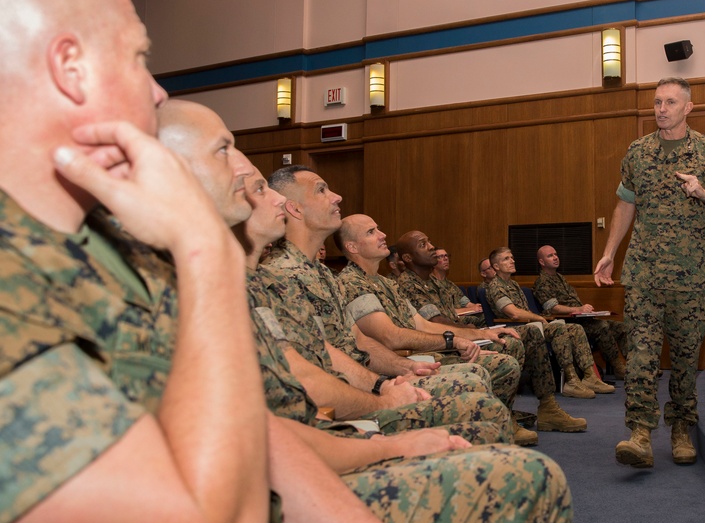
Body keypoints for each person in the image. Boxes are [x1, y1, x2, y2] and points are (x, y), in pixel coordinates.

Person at [0, 0, 639, 523]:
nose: (158, 88)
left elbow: (257, 431)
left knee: (534, 495)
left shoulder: (101, 251)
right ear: (69, 67)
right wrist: (207, 255)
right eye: (138, 57)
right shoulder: (29, 276)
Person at [157, 100, 512, 446]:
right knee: (483, 407)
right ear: (294, 207)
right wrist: (382, 393)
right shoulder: (272, 277)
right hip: (325, 419)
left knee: (483, 393)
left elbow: (349, 345)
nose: (338, 197)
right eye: (322, 190)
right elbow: (313, 373)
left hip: (336, 410)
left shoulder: (312, 275)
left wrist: (386, 381)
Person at [594, 76, 705, 469]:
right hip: (643, 273)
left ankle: (680, 427)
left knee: (683, 358)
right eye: (658, 102)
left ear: (688, 108)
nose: (661, 109)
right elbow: (625, 204)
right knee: (641, 355)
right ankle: (640, 434)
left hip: (690, 276)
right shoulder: (638, 152)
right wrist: (609, 252)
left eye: (670, 102)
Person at [332, 215, 538, 445]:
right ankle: (484, 431)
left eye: (378, 229)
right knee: (492, 368)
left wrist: (479, 335)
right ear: (352, 246)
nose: (383, 235)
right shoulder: (352, 282)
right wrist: (452, 342)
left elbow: (422, 324)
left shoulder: (384, 282)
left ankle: (492, 427)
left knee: (498, 351)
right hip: (394, 365)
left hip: (417, 355)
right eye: (371, 232)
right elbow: (390, 337)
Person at [487, 247, 616, 400]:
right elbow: (513, 313)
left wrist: (538, 319)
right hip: (513, 328)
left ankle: (590, 376)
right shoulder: (495, 286)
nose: (512, 261)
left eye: (512, 257)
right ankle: (571, 380)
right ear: (496, 266)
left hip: (529, 325)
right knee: (558, 329)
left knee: (575, 328)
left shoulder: (513, 284)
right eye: (506, 259)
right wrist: (539, 318)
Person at [535, 244, 628, 379]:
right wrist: (578, 309)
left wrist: (586, 310)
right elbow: (552, 308)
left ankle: (633, 365)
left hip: (582, 318)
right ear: (542, 262)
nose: (555, 257)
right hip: (568, 323)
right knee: (602, 327)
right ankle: (618, 367)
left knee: (621, 327)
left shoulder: (560, 278)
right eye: (550, 256)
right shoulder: (542, 282)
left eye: (555, 254)